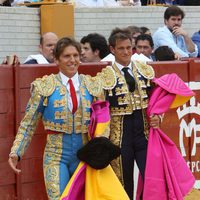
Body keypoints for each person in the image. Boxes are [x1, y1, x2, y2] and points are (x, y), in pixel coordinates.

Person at [8, 37, 112, 200]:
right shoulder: (44, 87)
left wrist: (101, 147)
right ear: (56, 59)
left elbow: (103, 121)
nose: (72, 60)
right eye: (67, 56)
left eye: (76, 55)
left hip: (85, 154)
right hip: (56, 156)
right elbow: (29, 123)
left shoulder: (92, 85)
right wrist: (16, 151)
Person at [104, 27, 160, 200]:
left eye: (129, 48)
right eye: (121, 48)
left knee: (152, 179)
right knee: (123, 181)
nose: (126, 52)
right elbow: (101, 110)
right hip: (120, 136)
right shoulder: (104, 77)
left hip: (144, 133)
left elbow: (156, 100)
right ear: (112, 49)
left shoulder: (145, 71)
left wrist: (158, 116)